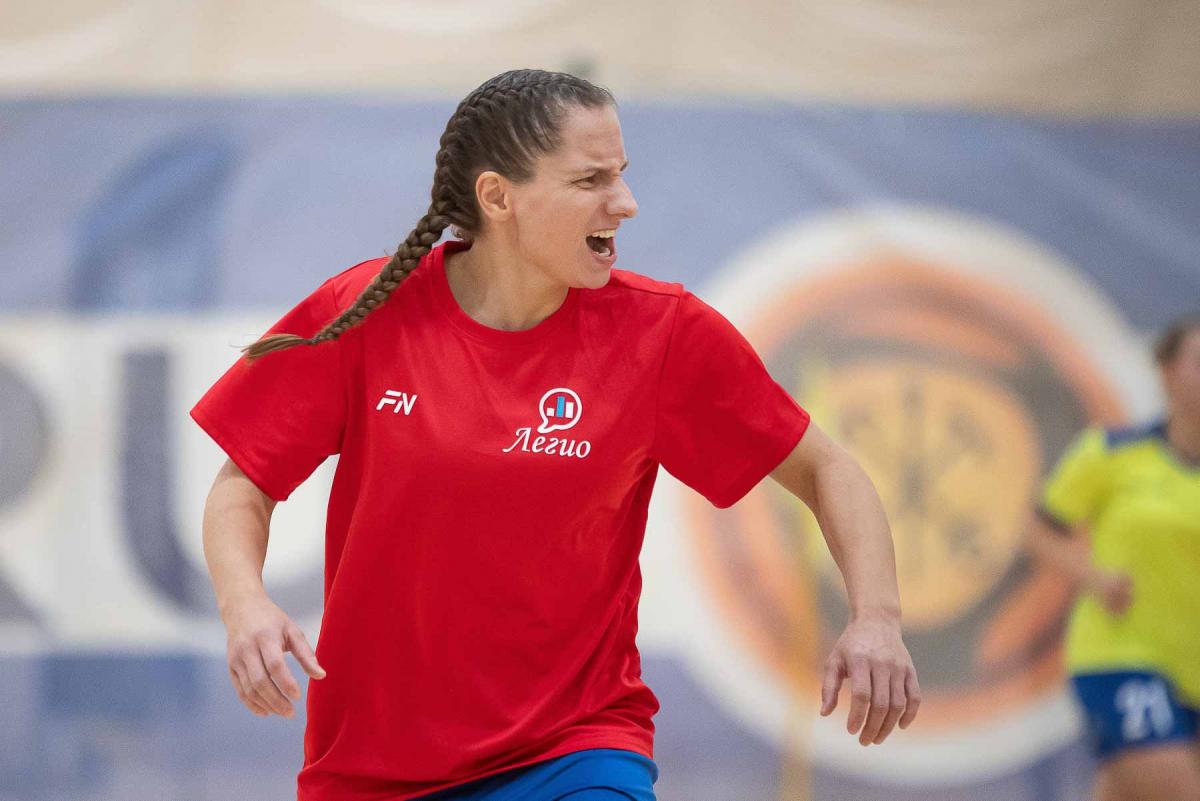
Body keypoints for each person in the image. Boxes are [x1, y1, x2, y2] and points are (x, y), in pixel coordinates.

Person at [192, 69, 919, 801]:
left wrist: (878, 619)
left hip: (575, 747)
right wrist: (244, 605)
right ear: (498, 197)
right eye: (590, 180)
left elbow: (828, 469)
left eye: (621, 174)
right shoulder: (365, 311)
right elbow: (243, 485)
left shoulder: (664, 334)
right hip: (371, 765)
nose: (625, 202)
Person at [1027, 314, 1200, 801]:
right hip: (1122, 655)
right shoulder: (1113, 452)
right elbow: (1039, 530)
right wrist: (1093, 576)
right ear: (1167, 372)